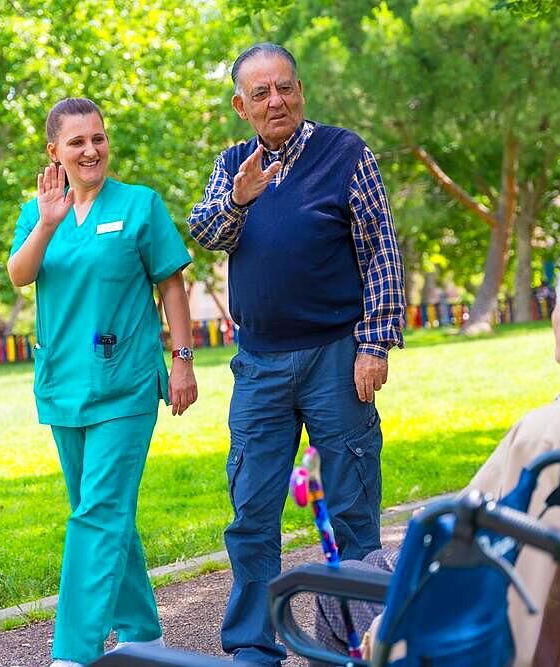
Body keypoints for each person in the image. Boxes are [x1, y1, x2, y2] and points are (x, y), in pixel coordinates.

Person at [316, 230, 560, 667]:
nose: (554, 313)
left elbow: (487, 566)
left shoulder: (555, 434)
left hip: (530, 637)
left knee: (334, 585)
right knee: (375, 560)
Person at [187, 43, 406, 664]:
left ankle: (367, 638)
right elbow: (204, 232)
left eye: (284, 88)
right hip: (259, 365)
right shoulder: (234, 164)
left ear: (300, 90)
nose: (275, 101)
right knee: (252, 510)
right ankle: (254, 645)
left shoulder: (345, 153)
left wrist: (376, 343)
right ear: (241, 106)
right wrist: (239, 197)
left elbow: (381, 252)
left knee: (353, 506)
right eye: (261, 94)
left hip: (338, 358)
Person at [7, 97, 198, 667]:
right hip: (64, 383)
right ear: (54, 152)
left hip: (128, 384)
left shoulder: (140, 205)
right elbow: (19, 274)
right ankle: (142, 633)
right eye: (77, 142)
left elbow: (171, 286)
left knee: (97, 513)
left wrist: (183, 358)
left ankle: (73, 652)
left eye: (98, 138)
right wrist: (45, 223)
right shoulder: (37, 212)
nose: (91, 150)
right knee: (102, 510)